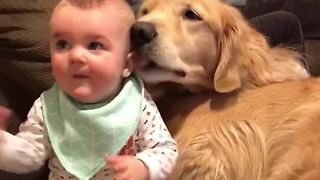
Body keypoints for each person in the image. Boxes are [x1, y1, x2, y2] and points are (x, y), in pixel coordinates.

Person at [0, 0, 177, 180]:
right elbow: (32, 156)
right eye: (62, 44)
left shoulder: (137, 104)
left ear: (126, 64)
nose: (76, 56)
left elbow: (166, 151)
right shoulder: (48, 107)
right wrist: (5, 147)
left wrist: (144, 166)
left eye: (94, 46)